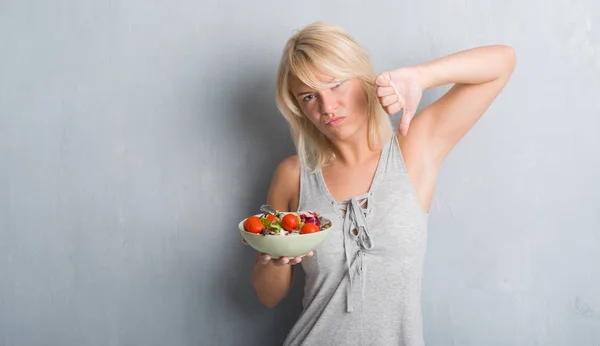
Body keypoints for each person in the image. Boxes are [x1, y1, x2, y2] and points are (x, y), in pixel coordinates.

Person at [247, 22, 516, 346]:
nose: (327, 107)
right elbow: (268, 296)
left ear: (362, 79)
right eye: (309, 97)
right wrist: (272, 260)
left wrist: (420, 77)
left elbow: (502, 61)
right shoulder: (293, 175)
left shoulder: (414, 149)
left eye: (336, 84)